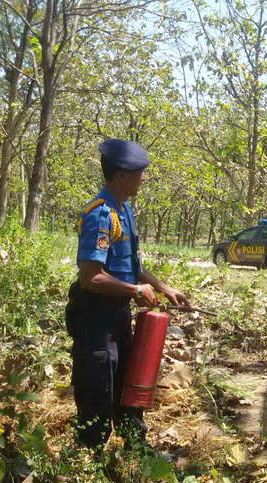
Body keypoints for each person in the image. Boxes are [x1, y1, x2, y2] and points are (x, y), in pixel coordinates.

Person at [66, 139, 188, 450]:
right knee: (97, 388)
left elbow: (130, 266)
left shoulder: (126, 211)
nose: (142, 179)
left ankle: (136, 450)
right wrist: (135, 290)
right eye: (139, 174)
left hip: (118, 314)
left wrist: (163, 287)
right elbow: (91, 277)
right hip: (96, 317)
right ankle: (89, 462)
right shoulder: (100, 214)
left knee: (128, 382)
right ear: (121, 176)